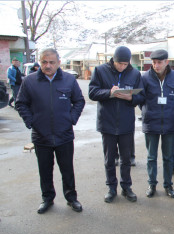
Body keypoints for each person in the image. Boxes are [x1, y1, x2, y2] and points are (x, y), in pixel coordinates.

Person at [16, 48, 85, 214]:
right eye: (44, 62)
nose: (48, 66)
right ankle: (47, 198)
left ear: (59, 63)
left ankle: (71, 198)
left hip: (65, 135)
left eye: (51, 62)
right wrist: (31, 121)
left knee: (67, 169)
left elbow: (79, 101)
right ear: (40, 62)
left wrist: (71, 119)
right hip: (41, 136)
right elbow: (21, 103)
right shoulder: (30, 81)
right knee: (45, 170)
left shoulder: (68, 80)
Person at [89, 46, 144, 203]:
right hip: (107, 122)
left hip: (126, 123)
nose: (122, 66)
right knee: (109, 159)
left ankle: (126, 187)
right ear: (113, 60)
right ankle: (111, 188)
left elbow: (141, 96)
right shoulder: (100, 71)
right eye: (119, 63)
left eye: (125, 64)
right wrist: (109, 93)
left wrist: (131, 99)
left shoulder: (134, 73)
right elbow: (92, 93)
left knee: (126, 159)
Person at [141, 49, 174, 198]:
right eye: (154, 62)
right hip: (151, 123)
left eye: (159, 62)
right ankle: (152, 184)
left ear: (166, 62)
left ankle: (168, 185)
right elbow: (141, 100)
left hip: (170, 124)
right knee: (151, 157)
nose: (156, 65)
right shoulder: (145, 77)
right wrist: (148, 113)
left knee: (168, 157)